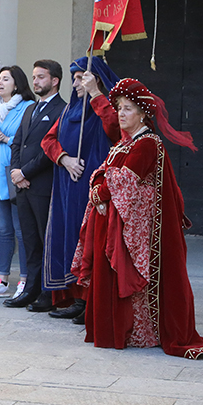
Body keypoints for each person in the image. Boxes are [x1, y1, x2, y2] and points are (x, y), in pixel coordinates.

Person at [72, 78, 203, 359]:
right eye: (119, 108)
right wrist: (100, 184)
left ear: (143, 113)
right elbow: (105, 173)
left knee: (133, 276)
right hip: (114, 223)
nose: (121, 113)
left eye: (128, 109)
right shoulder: (125, 143)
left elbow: (123, 182)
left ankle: (139, 331)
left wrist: (99, 190)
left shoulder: (147, 143)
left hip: (137, 231)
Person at [41, 57, 120, 324]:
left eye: (80, 78)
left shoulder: (106, 107)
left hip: (93, 189)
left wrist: (97, 95)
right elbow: (48, 140)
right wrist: (64, 158)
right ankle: (76, 299)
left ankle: (91, 301)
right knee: (70, 241)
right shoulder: (68, 111)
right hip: (67, 186)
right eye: (74, 78)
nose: (75, 83)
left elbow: (116, 130)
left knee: (89, 245)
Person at [5, 60, 67, 310]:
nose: (36, 81)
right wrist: (16, 172)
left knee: (45, 239)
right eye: (34, 77)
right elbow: (17, 143)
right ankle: (30, 287)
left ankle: (48, 292)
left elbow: (49, 149)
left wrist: (26, 172)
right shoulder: (30, 109)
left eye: (41, 77)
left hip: (42, 184)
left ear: (55, 81)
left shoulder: (62, 110)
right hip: (23, 185)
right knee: (29, 240)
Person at [0, 65, 34, 299]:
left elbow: (28, 141)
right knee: (3, 230)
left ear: (17, 83)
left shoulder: (27, 107)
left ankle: (24, 280)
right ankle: (2, 279)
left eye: (5, 79)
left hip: (14, 174)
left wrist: (7, 138)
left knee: (21, 231)